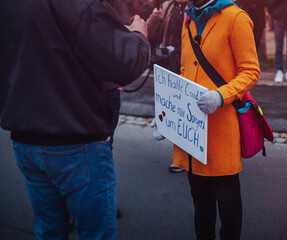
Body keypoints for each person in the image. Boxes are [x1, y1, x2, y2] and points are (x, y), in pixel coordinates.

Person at [0, 1, 149, 239]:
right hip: (74, 140)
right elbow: (125, 61)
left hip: (25, 138)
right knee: (95, 233)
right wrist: (139, 36)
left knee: (49, 231)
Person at [153, 0, 260, 238]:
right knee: (201, 206)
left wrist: (221, 96)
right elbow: (184, 72)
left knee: (228, 204)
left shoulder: (236, 17)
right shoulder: (188, 19)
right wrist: (167, 114)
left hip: (222, 127)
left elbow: (251, 71)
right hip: (192, 130)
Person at [147, 0, 189, 173]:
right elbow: (151, 35)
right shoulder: (166, 6)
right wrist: (154, 20)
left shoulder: (197, 5)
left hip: (190, 63)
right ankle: (180, 158)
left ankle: (193, 152)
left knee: (187, 110)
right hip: (169, 63)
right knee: (174, 108)